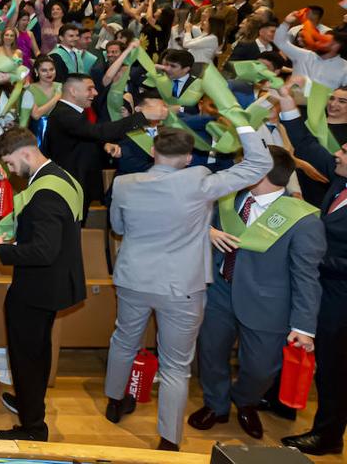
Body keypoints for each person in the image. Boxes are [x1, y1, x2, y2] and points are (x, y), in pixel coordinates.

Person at [104, 123, 272, 450]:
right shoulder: (199, 181)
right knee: (175, 366)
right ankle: (169, 439)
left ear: (153, 151)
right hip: (182, 285)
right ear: (188, 157)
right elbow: (260, 165)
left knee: (123, 339)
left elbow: (118, 227)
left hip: (134, 278)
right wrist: (244, 123)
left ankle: (114, 400)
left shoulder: (123, 184)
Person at [188, 144, 325, 440]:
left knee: (262, 369)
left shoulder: (303, 220)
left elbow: (306, 277)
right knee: (210, 354)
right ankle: (216, 404)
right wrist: (207, 231)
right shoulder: (228, 198)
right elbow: (192, 218)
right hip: (220, 290)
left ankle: (245, 400)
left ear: (260, 173)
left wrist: (304, 327)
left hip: (268, 305)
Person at [0, 126, 87, 442]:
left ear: (26, 153)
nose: (10, 171)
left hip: (37, 288)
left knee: (27, 355)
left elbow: (43, 250)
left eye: (11, 164)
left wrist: (1, 249)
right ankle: (30, 402)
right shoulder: (63, 177)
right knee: (38, 351)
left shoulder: (44, 194)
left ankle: (33, 427)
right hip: (55, 282)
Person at [277, 84, 347, 456]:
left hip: (341, 302)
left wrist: (317, 259)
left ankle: (328, 436)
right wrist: (288, 105)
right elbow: (309, 148)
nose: (338, 152)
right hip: (327, 293)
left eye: (346, 151)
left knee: (335, 371)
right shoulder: (342, 180)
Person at [42, 74, 162, 214]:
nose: (95, 93)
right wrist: (141, 116)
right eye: (90, 89)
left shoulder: (73, 112)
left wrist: (104, 144)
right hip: (71, 182)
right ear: (73, 91)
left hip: (80, 180)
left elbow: (85, 135)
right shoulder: (64, 114)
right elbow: (97, 131)